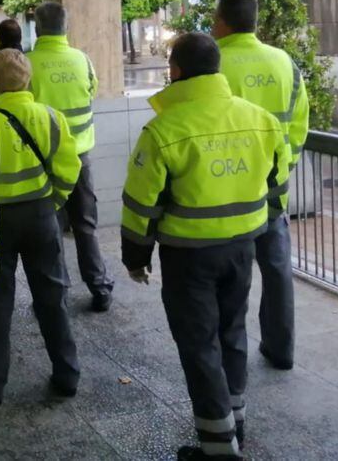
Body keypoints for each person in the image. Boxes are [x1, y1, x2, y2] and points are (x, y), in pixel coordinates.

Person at [122, 33, 288, 460]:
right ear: (218, 69)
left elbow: (142, 204)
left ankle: (218, 449)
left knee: (199, 345)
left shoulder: (163, 129)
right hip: (242, 248)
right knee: (232, 333)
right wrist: (262, 229)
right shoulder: (261, 119)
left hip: (189, 256)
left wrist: (136, 257)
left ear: (175, 72)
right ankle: (235, 424)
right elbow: (277, 187)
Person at [0, 49, 82, 407]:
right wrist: (52, 203)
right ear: (28, 78)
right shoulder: (51, 117)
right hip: (40, 216)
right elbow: (69, 169)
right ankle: (67, 374)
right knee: (52, 298)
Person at [212, 0, 309, 371]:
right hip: (273, 186)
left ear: (222, 22)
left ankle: (227, 351)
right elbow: (299, 123)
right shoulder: (285, 62)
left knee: (227, 273)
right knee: (277, 269)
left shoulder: (214, 62)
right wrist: (285, 166)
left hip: (226, 187)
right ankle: (280, 348)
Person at [26, 1, 114, 311]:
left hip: (44, 164)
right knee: (85, 226)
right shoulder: (83, 60)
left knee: (51, 231)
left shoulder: (27, 64)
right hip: (80, 158)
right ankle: (99, 286)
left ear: (37, 28)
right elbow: (90, 93)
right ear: (66, 27)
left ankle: (56, 295)